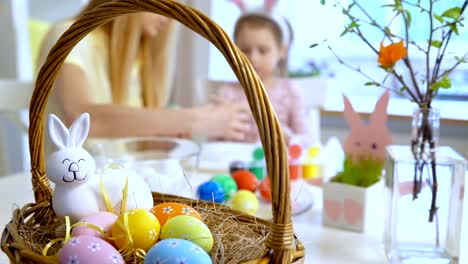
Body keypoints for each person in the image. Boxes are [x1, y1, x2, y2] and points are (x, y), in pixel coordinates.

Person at [37, 0, 250, 148]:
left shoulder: (136, 59)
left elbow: (131, 142)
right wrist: (194, 119)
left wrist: (169, 136)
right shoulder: (69, 36)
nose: (169, 18)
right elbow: (81, 118)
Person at [215, 0, 309, 145]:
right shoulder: (228, 94)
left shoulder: (290, 92)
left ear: (282, 51)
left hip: (276, 166)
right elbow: (215, 143)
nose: (253, 58)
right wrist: (218, 123)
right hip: (236, 165)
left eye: (263, 50)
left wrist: (288, 136)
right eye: (245, 50)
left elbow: (306, 140)